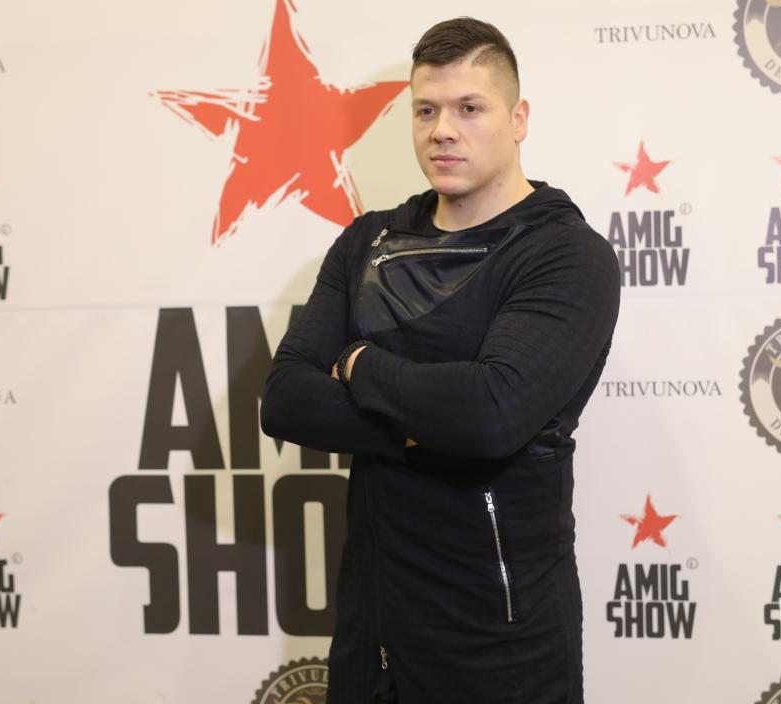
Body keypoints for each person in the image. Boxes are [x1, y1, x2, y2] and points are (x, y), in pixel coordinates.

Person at [260, 16, 619, 704]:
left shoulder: (566, 254)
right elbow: (286, 399)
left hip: (501, 645)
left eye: (469, 108)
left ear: (518, 119)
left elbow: (489, 414)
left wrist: (359, 366)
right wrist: (426, 427)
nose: (442, 130)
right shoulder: (367, 242)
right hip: (372, 637)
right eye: (426, 110)